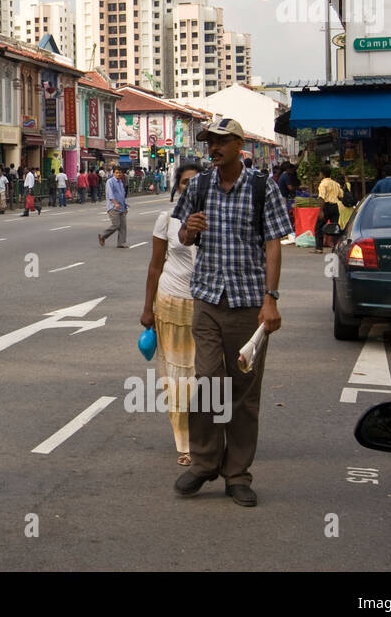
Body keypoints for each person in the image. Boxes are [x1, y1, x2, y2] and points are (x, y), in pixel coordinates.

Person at [172, 117, 292, 508]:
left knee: (243, 394)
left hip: (248, 305)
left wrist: (270, 298)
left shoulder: (263, 187)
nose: (214, 147)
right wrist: (188, 229)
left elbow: (273, 244)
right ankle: (204, 462)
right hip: (207, 300)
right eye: (210, 142)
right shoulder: (200, 185)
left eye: (222, 141)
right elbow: (182, 235)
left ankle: (237, 474)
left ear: (240, 144)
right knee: (208, 381)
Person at [140, 161, 202, 466]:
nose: (189, 187)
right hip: (170, 303)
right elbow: (155, 265)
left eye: (195, 182)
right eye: (184, 182)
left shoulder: (215, 217)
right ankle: (186, 443)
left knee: (206, 374)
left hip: (206, 306)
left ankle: (209, 434)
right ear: (176, 186)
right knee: (177, 377)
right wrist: (147, 308)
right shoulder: (166, 219)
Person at [98, 166, 129, 247]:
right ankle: (103, 235)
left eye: (120, 173)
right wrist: (115, 203)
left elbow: (122, 195)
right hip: (113, 207)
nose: (118, 174)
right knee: (116, 225)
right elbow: (110, 194)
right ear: (113, 173)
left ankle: (121, 243)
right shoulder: (110, 182)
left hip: (121, 207)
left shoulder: (120, 182)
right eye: (116, 173)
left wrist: (125, 206)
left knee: (123, 226)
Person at [316, 165, 342, 252]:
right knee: (335, 227)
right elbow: (341, 196)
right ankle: (336, 247)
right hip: (335, 207)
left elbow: (321, 198)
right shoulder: (336, 184)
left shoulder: (323, 184)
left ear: (322, 174)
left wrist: (321, 211)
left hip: (326, 207)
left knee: (318, 227)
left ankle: (319, 248)